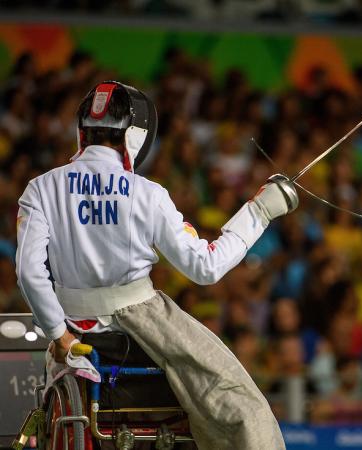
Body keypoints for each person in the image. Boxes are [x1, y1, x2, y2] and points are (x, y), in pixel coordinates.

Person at [15, 81, 298, 449]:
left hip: (73, 331)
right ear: (136, 137)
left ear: (82, 132)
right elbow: (206, 267)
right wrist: (259, 212)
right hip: (145, 325)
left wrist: (59, 334)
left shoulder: (41, 188)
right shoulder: (148, 194)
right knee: (241, 403)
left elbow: (28, 272)